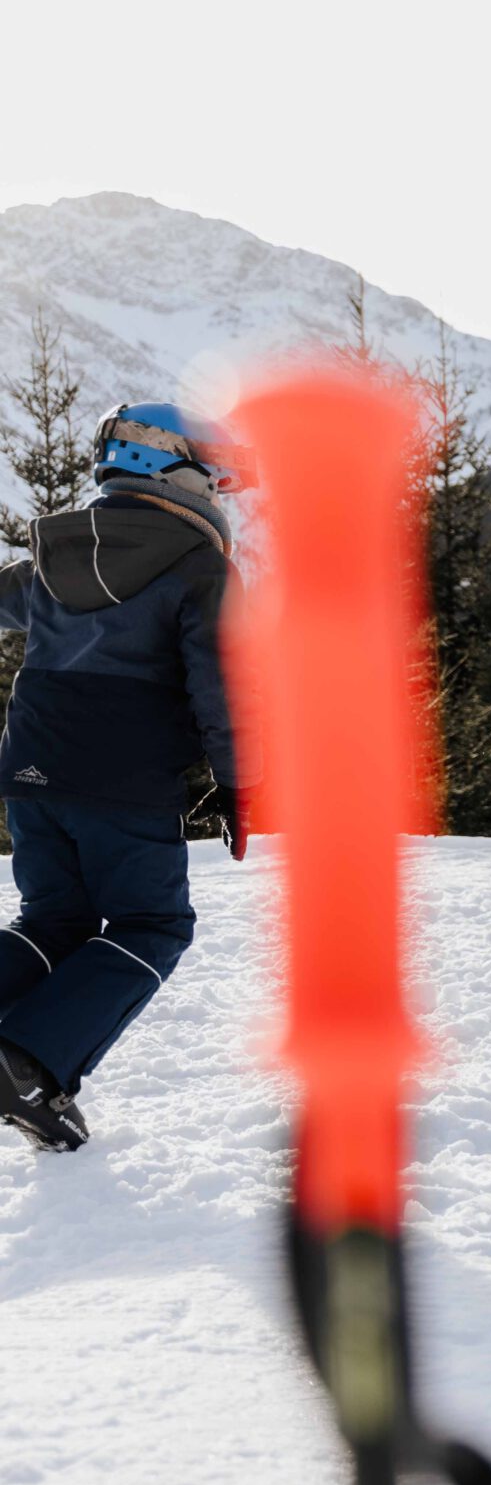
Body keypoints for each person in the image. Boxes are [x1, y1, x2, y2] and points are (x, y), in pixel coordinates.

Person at [0, 403, 254, 1152]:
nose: (215, 490)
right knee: (153, 924)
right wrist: (244, 784)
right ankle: (28, 1062)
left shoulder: (52, 552)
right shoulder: (199, 563)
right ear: (172, 468)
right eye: (211, 473)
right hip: (125, 779)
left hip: (31, 771)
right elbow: (223, 689)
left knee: (53, 922)